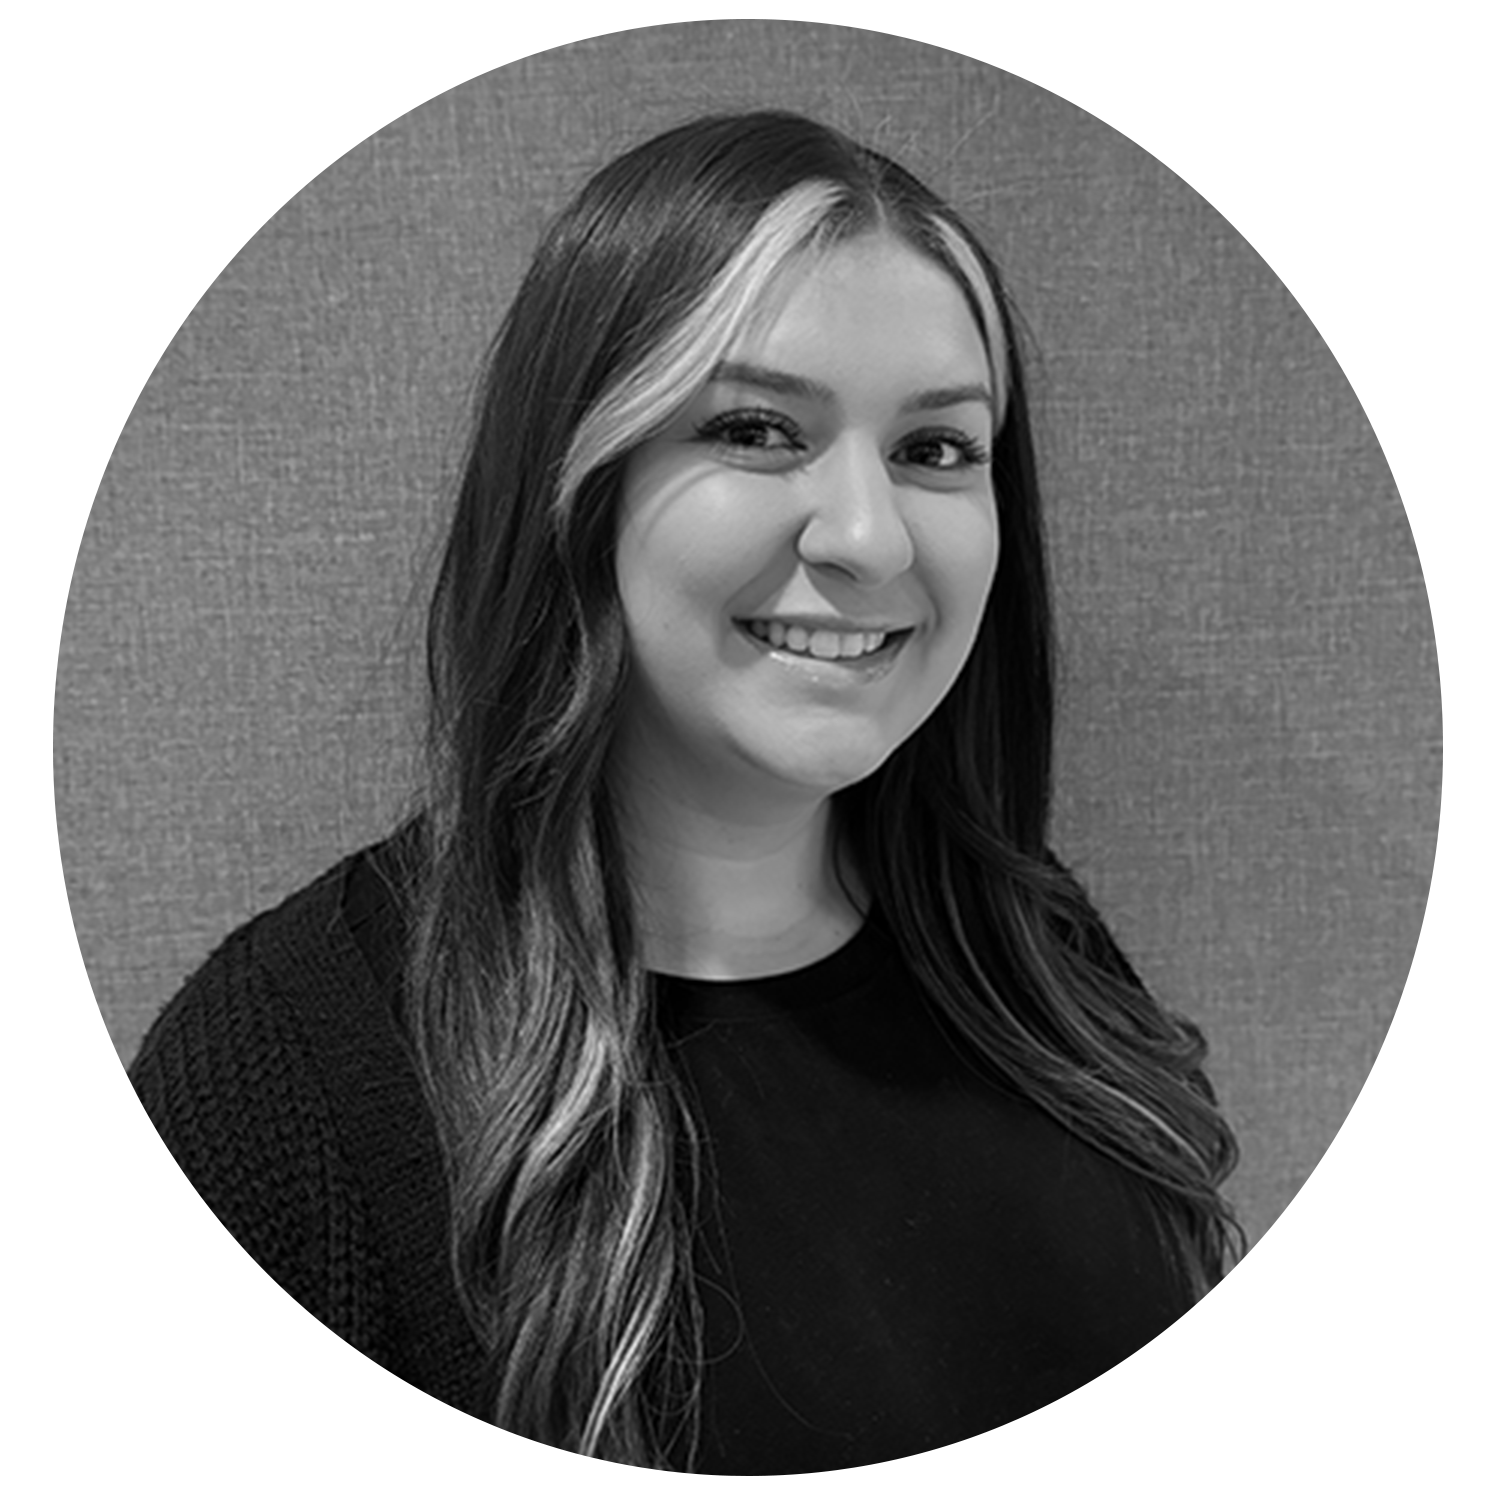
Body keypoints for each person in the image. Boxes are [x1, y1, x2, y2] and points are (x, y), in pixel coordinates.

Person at [53, 110, 1338, 1472]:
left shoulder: (1031, 951)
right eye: (758, 428)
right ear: (577, 488)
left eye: (938, 448)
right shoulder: (295, 1080)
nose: (868, 534)